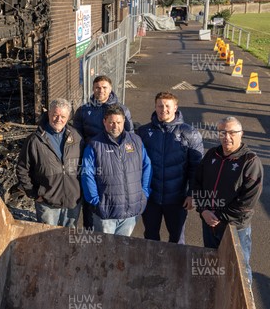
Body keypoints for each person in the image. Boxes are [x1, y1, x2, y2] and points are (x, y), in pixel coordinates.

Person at [193, 116, 263, 285]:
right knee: (211, 262)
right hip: (209, 223)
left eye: (232, 132)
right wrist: (203, 211)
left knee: (239, 267)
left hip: (234, 227)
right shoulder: (211, 154)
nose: (227, 137)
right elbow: (197, 182)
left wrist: (218, 216)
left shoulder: (250, 161)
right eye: (222, 132)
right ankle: (214, 293)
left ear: (241, 134)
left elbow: (247, 202)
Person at [137, 92, 204, 244]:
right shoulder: (143, 132)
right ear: (155, 107)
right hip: (150, 198)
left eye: (168, 106)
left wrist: (192, 194)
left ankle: (176, 268)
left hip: (177, 199)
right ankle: (153, 266)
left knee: (177, 239)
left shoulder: (190, 133)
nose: (163, 109)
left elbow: (196, 168)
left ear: (175, 108)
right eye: (160, 105)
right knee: (150, 237)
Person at [73, 75, 134, 229]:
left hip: (115, 161)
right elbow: (76, 138)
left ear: (110, 88)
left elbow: (129, 136)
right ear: (93, 89)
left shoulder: (122, 110)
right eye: (97, 87)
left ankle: (114, 228)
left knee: (113, 195)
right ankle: (90, 233)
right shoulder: (83, 110)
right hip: (91, 160)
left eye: (104, 87)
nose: (101, 90)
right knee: (90, 197)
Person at [81, 104, 151, 236]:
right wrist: (95, 201)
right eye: (111, 122)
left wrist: (144, 193)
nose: (115, 126)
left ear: (124, 121)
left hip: (131, 212)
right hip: (106, 213)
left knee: (123, 250)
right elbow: (87, 174)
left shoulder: (136, 141)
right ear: (104, 122)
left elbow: (147, 166)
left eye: (118, 122)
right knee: (103, 252)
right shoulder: (94, 145)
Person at [17, 98, 83, 227]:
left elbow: (86, 165)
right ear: (49, 114)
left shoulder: (76, 137)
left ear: (68, 117)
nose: (59, 119)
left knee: (69, 239)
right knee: (47, 240)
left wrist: (80, 192)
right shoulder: (35, 140)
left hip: (72, 202)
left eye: (63, 116)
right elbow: (22, 169)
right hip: (47, 203)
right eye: (55, 115)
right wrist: (35, 194)